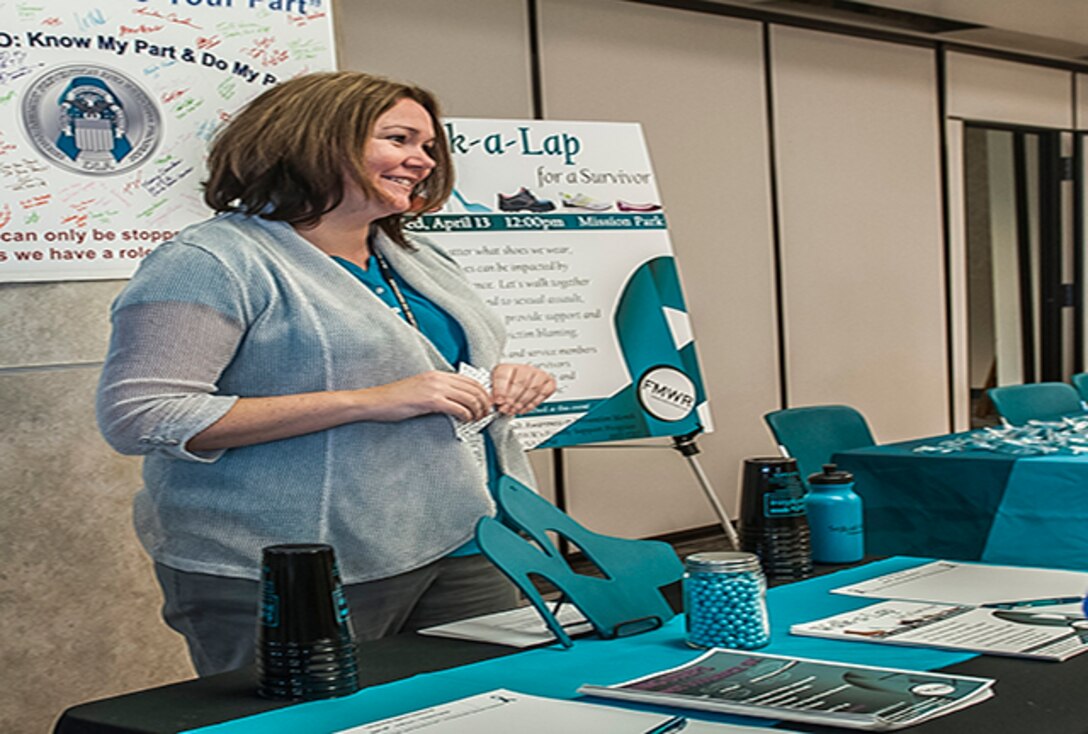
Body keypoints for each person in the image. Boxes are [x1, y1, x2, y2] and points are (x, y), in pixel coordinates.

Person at [96, 71, 556, 676]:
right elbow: (143, 416)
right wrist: (366, 401)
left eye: (428, 147)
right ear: (318, 139)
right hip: (296, 564)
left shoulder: (416, 255)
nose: (420, 160)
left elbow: (430, 370)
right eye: (399, 140)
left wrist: (507, 377)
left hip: (468, 539)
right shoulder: (209, 262)